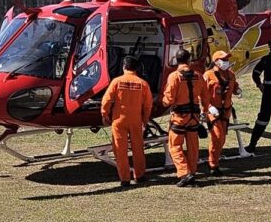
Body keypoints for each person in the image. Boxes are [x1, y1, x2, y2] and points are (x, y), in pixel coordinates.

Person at [162, 48, 213, 187]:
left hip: (179, 117)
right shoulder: (198, 75)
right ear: (189, 60)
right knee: (193, 146)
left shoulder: (174, 76)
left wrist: (163, 102)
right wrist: (205, 110)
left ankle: (184, 173)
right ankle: (192, 172)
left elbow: (169, 99)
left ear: (176, 60)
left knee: (175, 146)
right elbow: (206, 95)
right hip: (194, 118)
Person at [101, 55, 154, 188]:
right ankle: (140, 176)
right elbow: (148, 105)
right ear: (136, 68)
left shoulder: (117, 81)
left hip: (119, 120)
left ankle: (125, 179)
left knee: (120, 150)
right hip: (136, 120)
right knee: (138, 149)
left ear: (124, 67)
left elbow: (106, 100)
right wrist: (145, 120)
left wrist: (104, 115)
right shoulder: (143, 83)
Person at [203, 50, 240, 176]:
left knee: (222, 138)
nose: (226, 62)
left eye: (227, 60)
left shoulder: (230, 74)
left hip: (226, 110)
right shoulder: (208, 75)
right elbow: (201, 94)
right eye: (223, 60)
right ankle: (213, 165)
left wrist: (238, 90)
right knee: (217, 137)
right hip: (213, 110)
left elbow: (234, 86)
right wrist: (208, 107)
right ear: (216, 61)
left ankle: (215, 161)